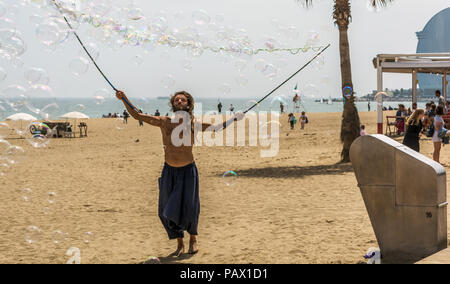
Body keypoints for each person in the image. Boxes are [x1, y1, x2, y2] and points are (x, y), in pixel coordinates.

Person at [115, 90, 244, 256]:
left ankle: (193, 239)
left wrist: (235, 118)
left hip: (188, 170)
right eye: (177, 100)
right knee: (166, 210)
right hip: (169, 170)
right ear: (173, 104)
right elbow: (137, 115)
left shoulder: (193, 124)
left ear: (189, 104)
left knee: (190, 207)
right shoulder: (164, 122)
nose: (180, 101)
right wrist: (124, 98)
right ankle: (179, 243)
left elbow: (217, 128)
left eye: (183, 100)